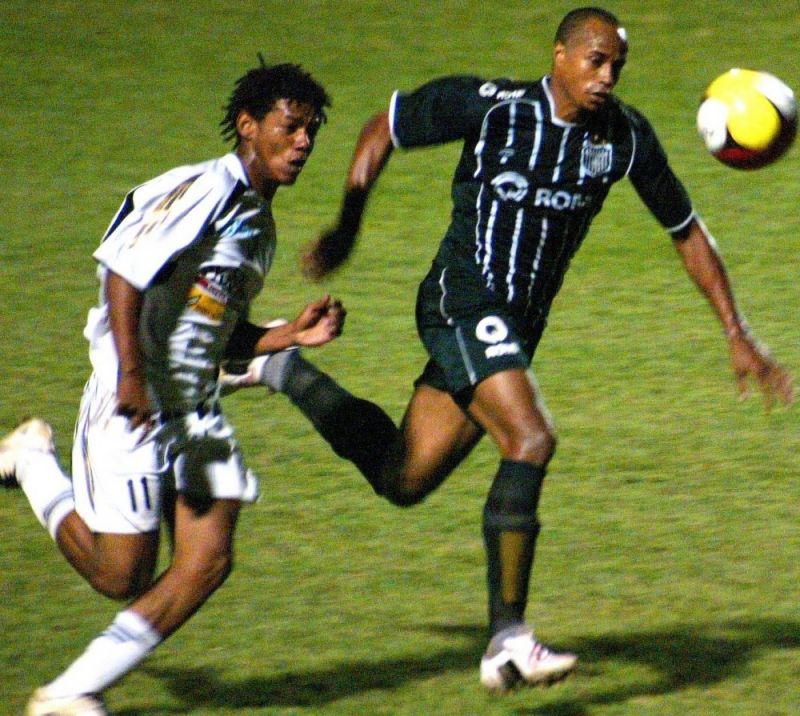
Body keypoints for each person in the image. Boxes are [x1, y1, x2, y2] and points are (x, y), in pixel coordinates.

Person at [223, 7, 795, 693]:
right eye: (594, 60)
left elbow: (686, 230)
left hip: (514, 330)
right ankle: (508, 640)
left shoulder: (624, 139)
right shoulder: (492, 107)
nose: (606, 76)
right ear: (559, 56)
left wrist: (738, 333)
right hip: (460, 300)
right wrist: (348, 223)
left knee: (403, 479)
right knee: (531, 440)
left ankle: (274, 364)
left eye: (616, 65)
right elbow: (387, 126)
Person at [0, 60, 342, 715]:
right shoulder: (204, 190)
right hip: (134, 401)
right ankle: (35, 462)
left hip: (192, 409)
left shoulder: (257, 225)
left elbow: (221, 333)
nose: (303, 143)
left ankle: (68, 694)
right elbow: (124, 275)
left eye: (310, 133)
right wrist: (130, 375)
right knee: (118, 574)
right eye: (290, 127)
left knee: (207, 561)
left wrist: (289, 335)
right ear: (248, 126)